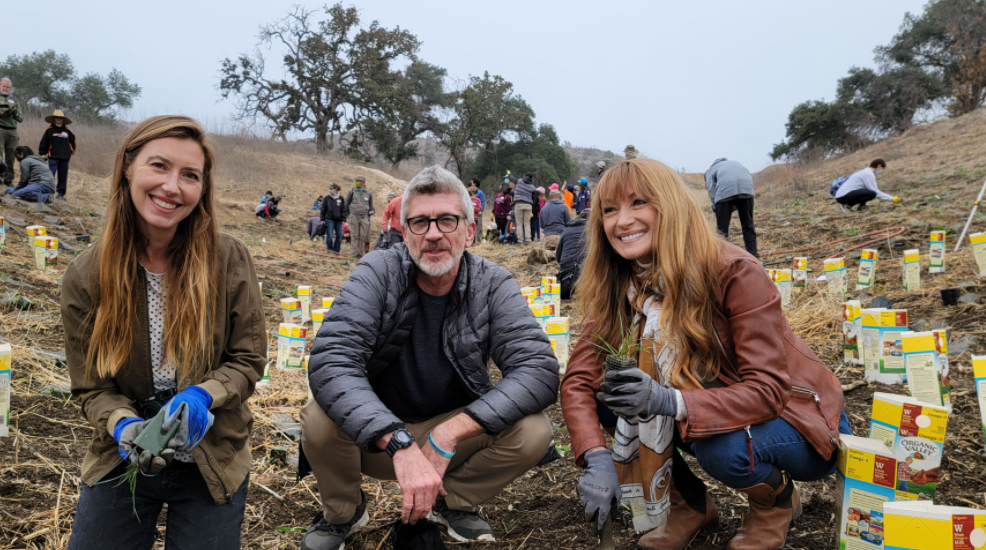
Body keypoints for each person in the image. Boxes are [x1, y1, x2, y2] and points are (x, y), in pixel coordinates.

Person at [561, 158, 850, 550]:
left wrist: (668, 400)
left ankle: (775, 502)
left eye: (638, 203)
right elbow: (578, 380)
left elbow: (768, 391)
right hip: (713, 410)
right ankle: (690, 506)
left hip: (796, 420)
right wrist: (595, 457)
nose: (622, 221)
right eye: (609, 210)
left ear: (671, 205)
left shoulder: (733, 272)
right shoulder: (624, 282)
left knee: (723, 449)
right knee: (611, 399)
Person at [299, 165, 558, 550]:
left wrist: (450, 432)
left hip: (451, 436)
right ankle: (345, 510)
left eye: (447, 220)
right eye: (420, 222)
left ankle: (448, 501)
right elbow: (332, 359)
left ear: (470, 231)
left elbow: (538, 368)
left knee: (534, 431)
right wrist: (398, 441)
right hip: (377, 436)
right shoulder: (376, 272)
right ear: (404, 233)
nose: (433, 233)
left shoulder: (492, 283)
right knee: (318, 417)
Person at [62, 115, 266, 550]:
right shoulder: (85, 275)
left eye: (189, 175)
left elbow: (248, 359)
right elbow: (91, 387)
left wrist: (204, 395)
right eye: (159, 166)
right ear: (127, 169)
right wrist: (122, 424)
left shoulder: (228, 259)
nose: (173, 187)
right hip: (122, 458)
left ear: (202, 189)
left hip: (212, 455)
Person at [706, 158, 758, 259]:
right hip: (746, 189)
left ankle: (722, 258)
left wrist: (715, 204)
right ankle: (754, 257)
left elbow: (711, 189)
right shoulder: (736, 163)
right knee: (748, 225)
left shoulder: (710, 170)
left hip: (725, 192)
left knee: (722, 230)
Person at [38, 109, 77, 200]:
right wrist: (43, 154)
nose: (59, 119)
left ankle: (61, 194)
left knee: (63, 176)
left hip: (65, 158)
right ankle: (48, 192)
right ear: (54, 119)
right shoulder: (49, 130)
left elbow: (73, 142)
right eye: (57, 118)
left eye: (60, 118)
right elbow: (44, 143)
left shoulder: (67, 131)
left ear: (63, 119)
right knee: (50, 174)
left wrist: (70, 152)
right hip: (53, 157)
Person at [555, 209, 589, 299]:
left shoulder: (567, 230)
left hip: (564, 283)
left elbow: (558, 257)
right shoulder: (593, 231)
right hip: (586, 283)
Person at [0, 77, 23, 187]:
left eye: (7, 87)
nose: (5, 88)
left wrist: (13, 112)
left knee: (11, 155)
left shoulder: (14, 101)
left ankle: (8, 179)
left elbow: (21, 118)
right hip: (0, 128)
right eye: (4, 86)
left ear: (10, 88)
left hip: (12, 131)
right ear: (0, 86)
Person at [346, 175, 375, 258]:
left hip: (364, 216)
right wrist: (348, 214)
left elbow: (371, 205)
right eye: (356, 181)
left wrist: (372, 211)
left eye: (358, 181)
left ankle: (361, 252)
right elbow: (346, 203)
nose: (356, 182)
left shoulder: (368, 193)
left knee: (363, 235)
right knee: (355, 235)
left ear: (362, 182)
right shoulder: (352, 191)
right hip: (354, 215)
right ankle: (356, 253)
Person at [321, 184, 347, 253]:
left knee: (339, 235)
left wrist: (344, 219)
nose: (330, 190)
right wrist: (322, 219)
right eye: (330, 189)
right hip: (329, 219)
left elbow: (343, 210)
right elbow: (323, 209)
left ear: (335, 189)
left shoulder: (341, 199)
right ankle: (329, 250)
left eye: (331, 188)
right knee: (329, 235)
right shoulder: (326, 198)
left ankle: (336, 251)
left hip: (338, 220)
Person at [512, 172, 536, 244]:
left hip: (519, 204)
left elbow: (513, 179)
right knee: (527, 223)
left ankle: (520, 240)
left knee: (519, 224)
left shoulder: (519, 181)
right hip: (528, 205)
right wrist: (532, 205)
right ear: (531, 178)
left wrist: (509, 174)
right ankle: (528, 240)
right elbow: (534, 198)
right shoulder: (532, 187)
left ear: (524, 176)